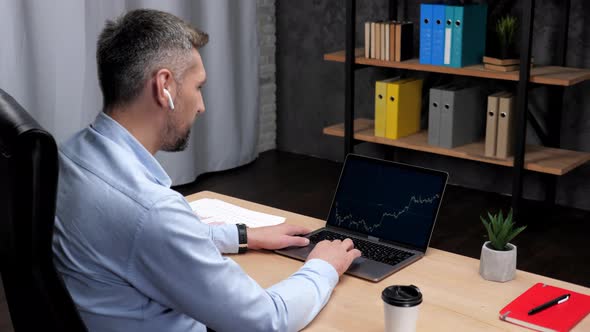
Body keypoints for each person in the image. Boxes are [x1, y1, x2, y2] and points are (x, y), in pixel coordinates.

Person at [53, 9, 361, 332]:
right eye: (198, 87)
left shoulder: (71, 156)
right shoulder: (151, 211)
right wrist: (323, 267)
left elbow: (147, 239)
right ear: (165, 87)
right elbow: (267, 321)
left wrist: (242, 236)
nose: (201, 106)